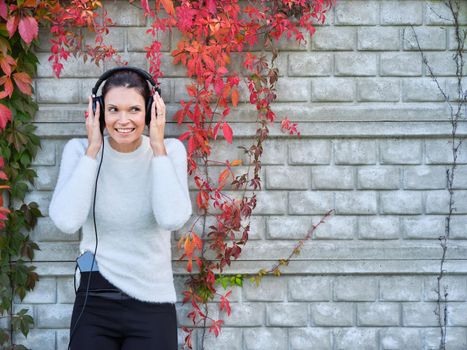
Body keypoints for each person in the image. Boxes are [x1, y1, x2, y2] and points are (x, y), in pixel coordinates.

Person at [48, 68, 193, 350]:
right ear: (98, 112)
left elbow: (172, 218)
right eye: (113, 109)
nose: (123, 120)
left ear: (151, 112)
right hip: (95, 299)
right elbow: (66, 221)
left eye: (135, 109)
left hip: (152, 300)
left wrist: (158, 147)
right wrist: (93, 150)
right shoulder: (79, 151)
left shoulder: (169, 151)